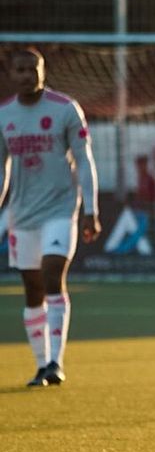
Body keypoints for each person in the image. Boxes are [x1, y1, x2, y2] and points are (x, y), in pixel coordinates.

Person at [0, 47, 101, 387]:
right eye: (21, 70)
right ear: (10, 75)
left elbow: (84, 160)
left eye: (34, 69)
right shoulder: (4, 115)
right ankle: (41, 364)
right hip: (22, 213)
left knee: (51, 273)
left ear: (43, 71)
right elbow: (1, 170)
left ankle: (56, 362)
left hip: (60, 209)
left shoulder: (65, 109)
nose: (28, 75)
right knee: (31, 288)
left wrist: (91, 210)